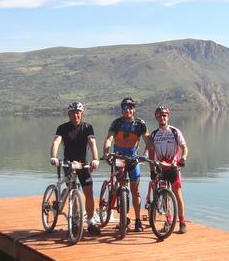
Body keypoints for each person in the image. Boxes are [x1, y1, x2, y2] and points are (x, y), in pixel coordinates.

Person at [49, 101, 101, 236]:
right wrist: (53, 156)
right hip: (68, 163)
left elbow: (93, 143)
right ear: (69, 114)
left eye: (78, 112)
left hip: (83, 164)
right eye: (73, 113)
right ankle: (75, 222)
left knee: (89, 192)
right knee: (73, 191)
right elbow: (56, 142)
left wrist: (95, 159)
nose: (75, 115)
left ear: (82, 114)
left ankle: (90, 222)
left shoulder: (88, 127)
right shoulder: (62, 128)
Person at [102, 97, 149, 231]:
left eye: (130, 107)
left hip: (134, 159)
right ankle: (124, 218)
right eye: (124, 108)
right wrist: (106, 152)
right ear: (122, 110)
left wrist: (145, 155)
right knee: (122, 186)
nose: (127, 110)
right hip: (119, 158)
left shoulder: (140, 124)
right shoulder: (116, 123)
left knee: (135, 191)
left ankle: (138, 220)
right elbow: (109, 138)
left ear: (134, 109)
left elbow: (148, 141)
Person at [146, 105, 189, 234]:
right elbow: (150, 152)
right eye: (159, 116)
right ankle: (168, 221)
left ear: (168, 116)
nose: (162, 118)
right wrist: (152, 169)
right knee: (164, 195)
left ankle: (182, 222)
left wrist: (184, 158)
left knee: (177, 195)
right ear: (156, 118)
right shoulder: (153, 134)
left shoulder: (175, 132)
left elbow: (184, 147)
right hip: (161, 169)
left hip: (173, 168)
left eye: (164, 115)